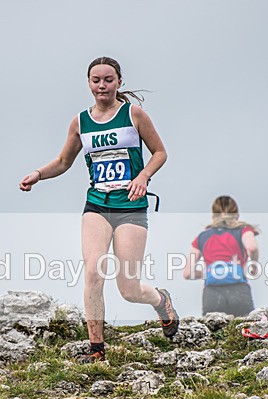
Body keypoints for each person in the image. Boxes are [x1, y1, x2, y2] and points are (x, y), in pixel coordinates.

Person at [19, 56, 179, 362]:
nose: (102, 86)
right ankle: (96, 350)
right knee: (93, 270)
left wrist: (144, 176)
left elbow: (160, 152)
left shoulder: (133, 114)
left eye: (108, 80)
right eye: (96, 80)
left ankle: (161, 300)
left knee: (129, 289)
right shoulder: (81, 122)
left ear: (119, 82)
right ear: (89, 83)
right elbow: (64, 161)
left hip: (131, 206)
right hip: (96, 205)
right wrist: (39, 174)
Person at [184, 196, 259, 317]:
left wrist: (210, 272)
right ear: (237, 215)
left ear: (213, 216)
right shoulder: (243, 230)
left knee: (214, 333)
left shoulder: (202, 237)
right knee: (245, 330)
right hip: (239, 290)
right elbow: (252, 248)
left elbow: (187, 273)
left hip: (212, 294)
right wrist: (253, 267)